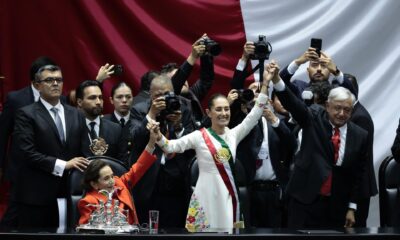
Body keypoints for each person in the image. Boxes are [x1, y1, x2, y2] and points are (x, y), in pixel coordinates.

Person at [152, 64, 272, 231]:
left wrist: (265, 84)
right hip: (204, 197)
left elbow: (255, 113)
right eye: (219, 110)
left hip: (227, 197)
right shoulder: (199, 136)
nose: (224, 113)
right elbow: (171, 147)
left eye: (226, 109)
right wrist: (157, 135)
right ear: (208, 112)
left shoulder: (234, 134)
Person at [270, 61, 368, 228]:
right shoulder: (313, 118)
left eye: (347, 110)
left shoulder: (360, 135)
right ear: (328, 106)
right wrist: (277, 80)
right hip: (304, 201)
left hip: (337, 206)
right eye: (337, 108)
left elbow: (357, 175)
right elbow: (292, 103)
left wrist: (352, 207)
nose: (342, 114)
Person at [8, 63, 89, 228]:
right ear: (37, 86)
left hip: (71, 194)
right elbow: (27, 153)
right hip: (36, 196)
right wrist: (63, 165)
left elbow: (84, 151)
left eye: (59, 80)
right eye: (49, 80)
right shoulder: (26, 114)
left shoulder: (76, 114)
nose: (55, 84)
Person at [129, 74, 196, 228]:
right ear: (150, 95)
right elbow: (135, 139)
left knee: (176, 228)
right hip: (149, 180)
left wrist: (178, 126)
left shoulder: (183, 107)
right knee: (148, 227)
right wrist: (152, 113)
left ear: (173, 93)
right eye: (158, 95)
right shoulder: (139, 110)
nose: (163, 99)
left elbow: (192, 144)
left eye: (166, 94)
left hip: (176, 179)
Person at [78, 122, 159, 225]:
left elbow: (139, 166)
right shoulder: (88, 202)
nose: (112, 181)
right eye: (106, 178)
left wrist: (152, 142)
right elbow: (85, 231)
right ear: (94, 184)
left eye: (112, 176)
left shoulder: (120, 183)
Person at [162, 33, 215, 128]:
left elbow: (206, 80)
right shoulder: (163, 101)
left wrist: (205, 53)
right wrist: (193, 56)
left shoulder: (191, 94)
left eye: (184, 78)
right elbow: (175, 85)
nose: (184, 80)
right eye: (177, 77)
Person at [345, 73, 377, 227]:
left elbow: (358, 157)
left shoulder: (360, 116)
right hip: (352, 185)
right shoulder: (351, 112)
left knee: (355, 229)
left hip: (359, 187)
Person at [76, 80, 127, 162]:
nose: (98, 102)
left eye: (100, 97)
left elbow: (122, 162)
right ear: (80, 102)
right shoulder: (71, 129)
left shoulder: (115, 129)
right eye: (92, 98)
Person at [279, 46, 354, 100]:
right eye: (314, 65)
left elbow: (352, 94)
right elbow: (279, 82)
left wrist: (336, 71)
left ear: (330, 71)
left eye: (324, 65)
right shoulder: (299, 88)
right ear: (308, 71)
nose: (319, 69)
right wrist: (298, 62)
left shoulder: (337, 90)